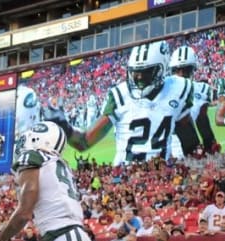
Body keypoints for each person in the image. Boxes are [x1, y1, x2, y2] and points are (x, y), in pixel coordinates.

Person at [51, 40, 197, 167]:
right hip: (124, 174)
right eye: (135, 72)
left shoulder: (179, 88)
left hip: (158, 174)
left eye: (145, 72)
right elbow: (84, 142)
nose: (138, 77)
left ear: (162, 69)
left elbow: (189, 140)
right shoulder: (119, 96)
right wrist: (65, 127)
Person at [168, 45, 218, 157]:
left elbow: (203, 123)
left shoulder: (201, 89)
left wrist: (210, 146)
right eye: (177, 70)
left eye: (185, 69)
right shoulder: (164, 91)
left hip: (191, 147)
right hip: (169, 148)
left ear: (192, 70)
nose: (181, 74)